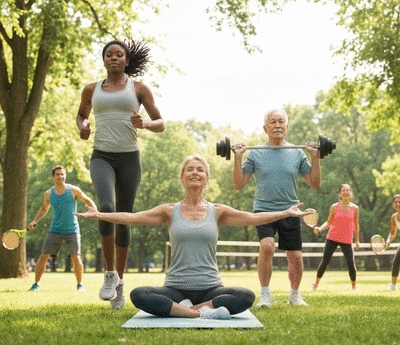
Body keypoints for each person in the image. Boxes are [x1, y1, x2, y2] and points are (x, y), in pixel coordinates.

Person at [75, 155, 315, 319]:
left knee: (245, 296)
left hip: (211, 289)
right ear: (182, 178)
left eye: (200, 170)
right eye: (189, 169)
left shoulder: (218, 211)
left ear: (206, 178)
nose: (194, 173)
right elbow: (133, 217)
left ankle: (187, 310)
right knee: (139, 295)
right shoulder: (169, 211)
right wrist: (99, 215)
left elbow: (253, 218)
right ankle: (195, 312)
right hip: (175, 289)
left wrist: (286, 212)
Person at [76, 39, 165, 309]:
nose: (114, 58)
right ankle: (109, 274)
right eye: (109, 55)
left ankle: (121, 282)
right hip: (101, 156)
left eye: (119, 55)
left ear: (126, 61)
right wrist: (83, 126)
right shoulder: (92, 89)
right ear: (103, 60)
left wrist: (146, 123)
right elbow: (81, 115)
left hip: (129, 159)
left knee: (124, 219)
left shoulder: (138, 88)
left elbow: (161, 122)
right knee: (104, 208)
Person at [232, 109, 321, 307]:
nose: (278, 125)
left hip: (291, 210)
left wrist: (315, 157)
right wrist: (237, 158)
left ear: (287, 127)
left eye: (281, 122)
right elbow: (239, 185)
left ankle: (295, 295)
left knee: (295, 256)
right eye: (273, 122)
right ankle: (265, 295)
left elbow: (314, 183)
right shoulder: (256, 152)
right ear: (265, 128)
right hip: (264, 210)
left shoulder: (297, 152)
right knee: (267, 246)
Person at [27, 165, 96, 291]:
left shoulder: (73, 190)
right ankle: (36, 284)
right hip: (55, 230)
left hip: (72, 229)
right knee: (43, 256)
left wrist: (96, 212)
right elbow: (44, 208)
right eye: (57, 174)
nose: (60, 176)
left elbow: (87, 200)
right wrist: (34, 220)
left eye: (62, 174)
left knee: (76, 256)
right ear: (53, 177)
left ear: (65, 176)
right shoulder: (48, 193)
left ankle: (80, 285)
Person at [311, 184, 360, 291]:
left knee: (351, 263)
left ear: (351, 193)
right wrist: (320, 229)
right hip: (332, 238)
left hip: (347, 239)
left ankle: (354, 286)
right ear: (340, 193)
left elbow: (356, 225)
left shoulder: (355, 208)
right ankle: (315, 284)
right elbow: (329, 222)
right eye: (343, 190)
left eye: (348, 190)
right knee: (325, 261)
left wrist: (357, 240)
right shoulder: (334, 207)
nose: (346, 192)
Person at [385, 194, 400, 291]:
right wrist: (388, 241)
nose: (398, 204)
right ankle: (393, 285)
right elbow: (393, 232)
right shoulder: (393, 217)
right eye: (396, 202)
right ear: (393, 205)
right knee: (396, 261)